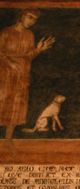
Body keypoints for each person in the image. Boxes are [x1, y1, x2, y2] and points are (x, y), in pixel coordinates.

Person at [0, 9, 55, 139]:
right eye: (29, 17)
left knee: (17, 105)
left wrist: (38, 50)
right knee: (2, 101)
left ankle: (8, 140)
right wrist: (10, 63)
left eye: (34, 19)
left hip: (22, 73)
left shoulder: (29, 35)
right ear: (21, 16)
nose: (32, 21)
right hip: (5, 73)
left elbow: (28, 57)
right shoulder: (6, 32)